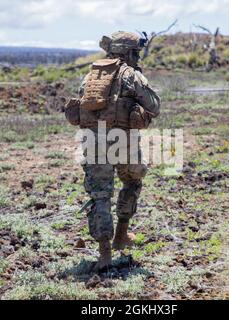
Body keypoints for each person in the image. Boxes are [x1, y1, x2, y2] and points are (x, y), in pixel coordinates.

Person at [66, 31, 161, 270]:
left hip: (93, 142)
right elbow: (154, 106)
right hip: (123, 142)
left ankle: (104, 253)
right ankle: (121, 234)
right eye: (136, 53)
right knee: (132, 181)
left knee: (99, 196)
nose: (138, 57)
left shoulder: (90, 76)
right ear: (129, 52)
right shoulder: (131, 75)